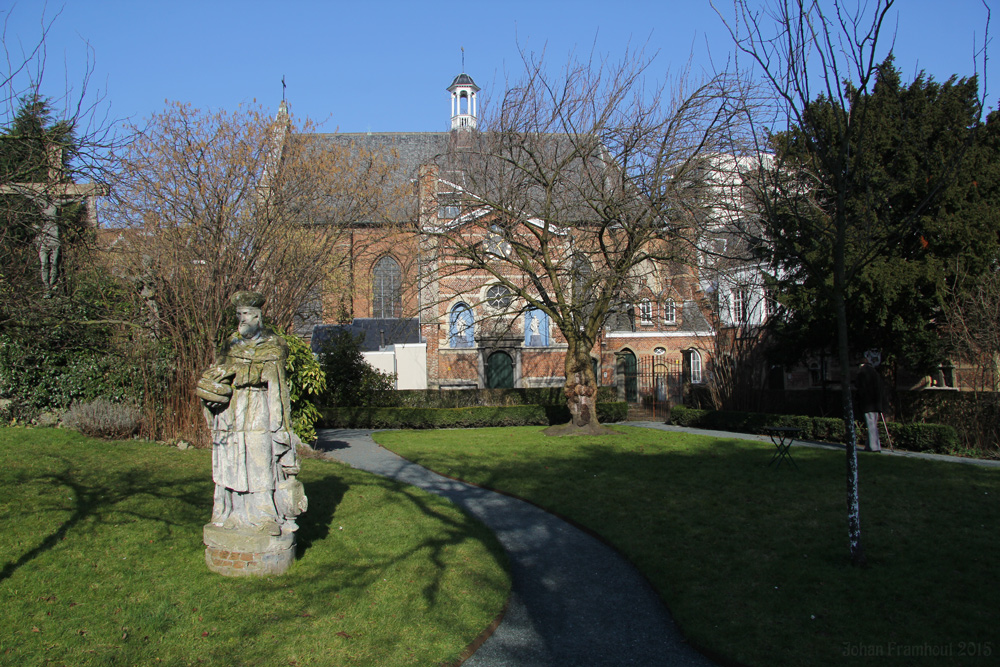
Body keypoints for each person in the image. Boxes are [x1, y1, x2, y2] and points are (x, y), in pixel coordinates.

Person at [197, 291, 306, 535]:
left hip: (259, 410)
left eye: (246, 314)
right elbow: (219, 372)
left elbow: (272, 375)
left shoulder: (274, 344)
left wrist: (241, 375)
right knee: (232, 462)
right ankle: (234, 514)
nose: (241, 320)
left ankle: (266, 515)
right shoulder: (230, 345)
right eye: (239, 315)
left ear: (258, 317)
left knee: (260, 462)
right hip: (232, 412)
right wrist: (213, 388)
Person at [856, 358, 883, 452]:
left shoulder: (862, 373)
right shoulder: (875, 373)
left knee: (871, 425)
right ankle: (869, 445)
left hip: (868, 403)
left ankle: (874, 447)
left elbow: (860, 387)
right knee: (873, 424)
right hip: (876, 404)